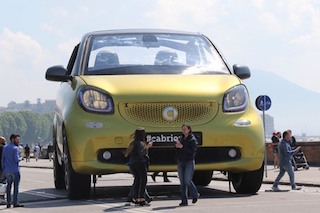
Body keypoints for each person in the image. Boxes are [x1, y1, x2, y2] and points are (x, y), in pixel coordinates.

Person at [125, 128, 153, 206]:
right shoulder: (140, 143)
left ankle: (137, 198)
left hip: (133, 163)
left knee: (137, 180)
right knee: (143, 180)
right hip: (140, 163)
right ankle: (141, 198)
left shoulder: (133, 142)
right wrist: (148, 146)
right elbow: (142, 152)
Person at [175, 124, 199, 206]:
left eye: (185, 129)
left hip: (189, 162)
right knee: (182, 182)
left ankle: (195, 194)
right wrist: (177, 147)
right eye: (182, 129)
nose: (183, 131)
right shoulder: (180, 138)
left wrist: (182, 147)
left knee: (187, 180)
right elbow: (178, 150)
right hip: (180, 161)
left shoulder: (192, 140)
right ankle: (184, 200)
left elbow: (192, 152)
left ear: (189, 130)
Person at [2, 134, 24, 208]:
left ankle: (8, 202)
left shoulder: (5, 147)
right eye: (17, 140)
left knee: (8, 187)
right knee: (16, 187)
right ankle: (15, 202)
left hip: (7, 170)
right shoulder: (15, 148)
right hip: (15, 170)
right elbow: (16, 159)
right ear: (13, 139)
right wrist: (21, 158)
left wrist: (4, 170)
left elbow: (3, 160)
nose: (18, 141)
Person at [0, 136, 7, 203]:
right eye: (4, 140)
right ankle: (1, 197)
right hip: (2, 168)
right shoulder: (3, 148)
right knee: (2, 183)